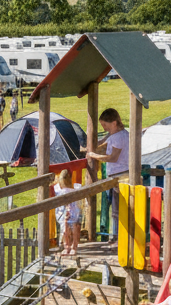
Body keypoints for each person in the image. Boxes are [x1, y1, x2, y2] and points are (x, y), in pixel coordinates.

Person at [86, 107, 130, 237]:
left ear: (114, 123)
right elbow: (101, 143)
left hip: (119, 175)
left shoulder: (117, 137)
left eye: (105, 125)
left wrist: (94, 156)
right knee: (118, 208)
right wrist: (88, 147)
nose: (104, 128)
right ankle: (118, 236)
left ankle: (117, 237)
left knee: (117, 209)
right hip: (120, 173)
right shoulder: (118, 134)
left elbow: (113, 157)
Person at [53, 169, 83, 257]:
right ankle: (69, 247)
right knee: (67, 230)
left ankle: (72, 247)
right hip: (67, 213)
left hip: (71, 212)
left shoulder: (71, 189)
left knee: (71, 229)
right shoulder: (72, 189)